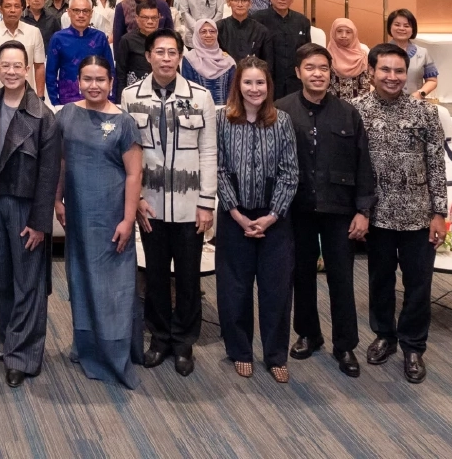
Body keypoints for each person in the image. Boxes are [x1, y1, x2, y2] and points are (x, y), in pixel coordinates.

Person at [122, 28, 217, 377]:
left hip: (191, 205)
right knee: (156, 274)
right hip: (150, 204)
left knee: (189, 277)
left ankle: (184, 342)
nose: (166, 58)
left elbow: (209, 152)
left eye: (172, 52)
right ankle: (160, 339)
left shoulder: (201, 96)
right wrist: (136, 200)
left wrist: (206, 202)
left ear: (180, 57)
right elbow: (127, 152)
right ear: (148, 56)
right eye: (159, 52)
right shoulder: (130, 96)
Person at [277, 42, 373, 378]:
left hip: (339, 208)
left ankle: (345, 344)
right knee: (301, 274)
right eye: (310, 68)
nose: (317, 74)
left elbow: (363, 164)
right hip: (298, 207)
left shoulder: (348, 113)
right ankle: (308, 333)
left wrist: (363, 210)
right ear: (298, 72)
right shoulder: (282, 111)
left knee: (341, 277)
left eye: (323, 68)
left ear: (330, 73)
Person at [353, 43, 447, 384]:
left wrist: (439, 213)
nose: (392, 77)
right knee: (380, 281)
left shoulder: (425, 113)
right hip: (376, 216)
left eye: (399, 71)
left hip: (418, 216)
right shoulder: (355, 111)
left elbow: (437, 165)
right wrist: (358, 211)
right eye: (385, 70)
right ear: (371, 72)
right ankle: (384, 335)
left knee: (418, 285)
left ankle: (413, 346)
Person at [0, 40, 61, 385]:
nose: (11, 71)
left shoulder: (43, 116)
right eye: (5, 65)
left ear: (27, 69)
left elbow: (49, 174)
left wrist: (40, 223)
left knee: (28, 282)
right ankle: (7, 338)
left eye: (17, 66)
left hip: (27, 207)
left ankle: (23, 355)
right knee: (1, 277)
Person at [58, 56, 143, 388]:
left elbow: (134, 174)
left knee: (113, 289)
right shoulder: (66, 114)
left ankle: (115, 355)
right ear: (79, 81)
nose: (94, 86)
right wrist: (57, 199)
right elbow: (61, 162)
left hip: (111, 217)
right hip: (78, 215)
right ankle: (87, 347)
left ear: (111, 83)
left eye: (100, 80)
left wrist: (128, 219)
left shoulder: (124, 122)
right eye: (87, 79)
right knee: (81, 281)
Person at [214, 57, 300, 382]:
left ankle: (276, 354)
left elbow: (290, 172)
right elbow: (218, 168)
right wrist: (237, 214)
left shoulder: (282, 121)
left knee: (276, 289)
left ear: (269, 86)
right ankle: (240, 351)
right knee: (234, 288)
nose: (254, 89)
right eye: (248, 82)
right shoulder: (222, 119)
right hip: (234, 215)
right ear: (238, 85)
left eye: (260, 83)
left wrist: (271, 216)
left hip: (274, 218)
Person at [45, 0, 113, 106]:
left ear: (91, 13)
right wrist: (55, 103)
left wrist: (110, 99)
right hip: (67, 100)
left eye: (85, 11)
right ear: (69, 12)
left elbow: (110, 70)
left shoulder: (100, 37)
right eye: (76, 11)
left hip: (97, 97)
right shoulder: (58, 38)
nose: (81, 15)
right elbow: (50, 74)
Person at [0, 0, 46, 97]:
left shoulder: (34, 32)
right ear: (0, 10)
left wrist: (40, 97)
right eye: (8, 6)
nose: (12, 10)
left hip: (27, 95)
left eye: (17, 6)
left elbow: (39, 66)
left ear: (22, 9)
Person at [255, 0, 310, 98]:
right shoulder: (257, 19)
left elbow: (307, 52)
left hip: (295, 81)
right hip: (268, 80)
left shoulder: (302, 21)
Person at [180, 18, 236, 104]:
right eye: (203, 32)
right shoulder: (189, 59)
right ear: (197, 34)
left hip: (225, 109)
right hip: (197, 109)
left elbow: (232, 90)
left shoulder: (228, 60)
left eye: (212, 31)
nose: (208, 35)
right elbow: (188, 89)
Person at [386, 8, 438, 99]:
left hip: (415, 102)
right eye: (397, 25)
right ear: (390, 27)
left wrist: (420, 94)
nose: (401, 28)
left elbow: (432, 81)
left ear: (413, 29)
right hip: (386, 102)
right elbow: (372, 79)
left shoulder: (423, 53)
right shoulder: (380, 52)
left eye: (406, 26)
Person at [217, 0, 272, 66]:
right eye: (235, 0)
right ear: (228, 3)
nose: (240, 4)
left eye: (244, 0)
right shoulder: (218, 28)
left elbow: (267, 63)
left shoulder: (261, 30)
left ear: (250, 3)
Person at [327, 18, 372, 100]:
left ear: (354, 34)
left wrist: (356, 104)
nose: (344, 35)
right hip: (331, 103)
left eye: (348, 32)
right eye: (339, 31)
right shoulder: (326, 55)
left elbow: (365, 86)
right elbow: (325, 85)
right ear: (333, 32)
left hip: (358, 104)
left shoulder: (361, 56)